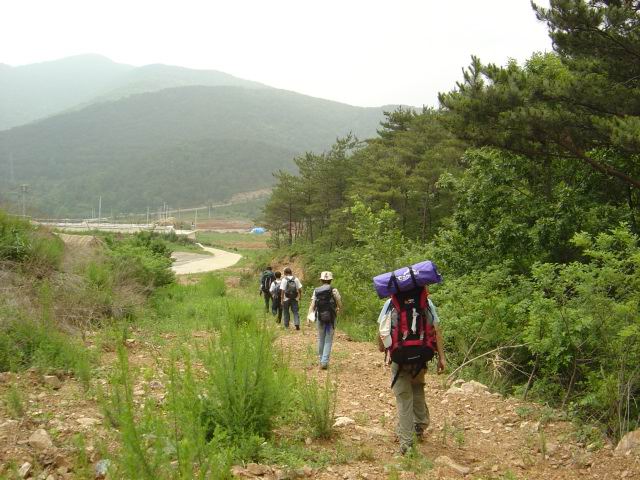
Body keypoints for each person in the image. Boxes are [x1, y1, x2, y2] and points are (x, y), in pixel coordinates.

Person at [377, 290, 446, 455]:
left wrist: (383, 349)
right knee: (418, 388)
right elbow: (436, 331)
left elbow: (382, 332)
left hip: (399, 359)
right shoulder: (426, 303)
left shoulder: (391, 304)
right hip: (420, 357)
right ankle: (419, 426)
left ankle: (406, 444)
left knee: (404, 399)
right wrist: (442, 358)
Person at [307, 271, 343, 369]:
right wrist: (339, 309)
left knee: (320, 338)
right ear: (331, 280)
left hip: (320, 316)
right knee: (328, 340)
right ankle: (324, 362)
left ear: (321, 280)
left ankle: (321, 359)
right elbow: (339, 303)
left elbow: (312, 305)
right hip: (331, 317)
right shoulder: (334, 290)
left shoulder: (316, 290)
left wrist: (309, 316)